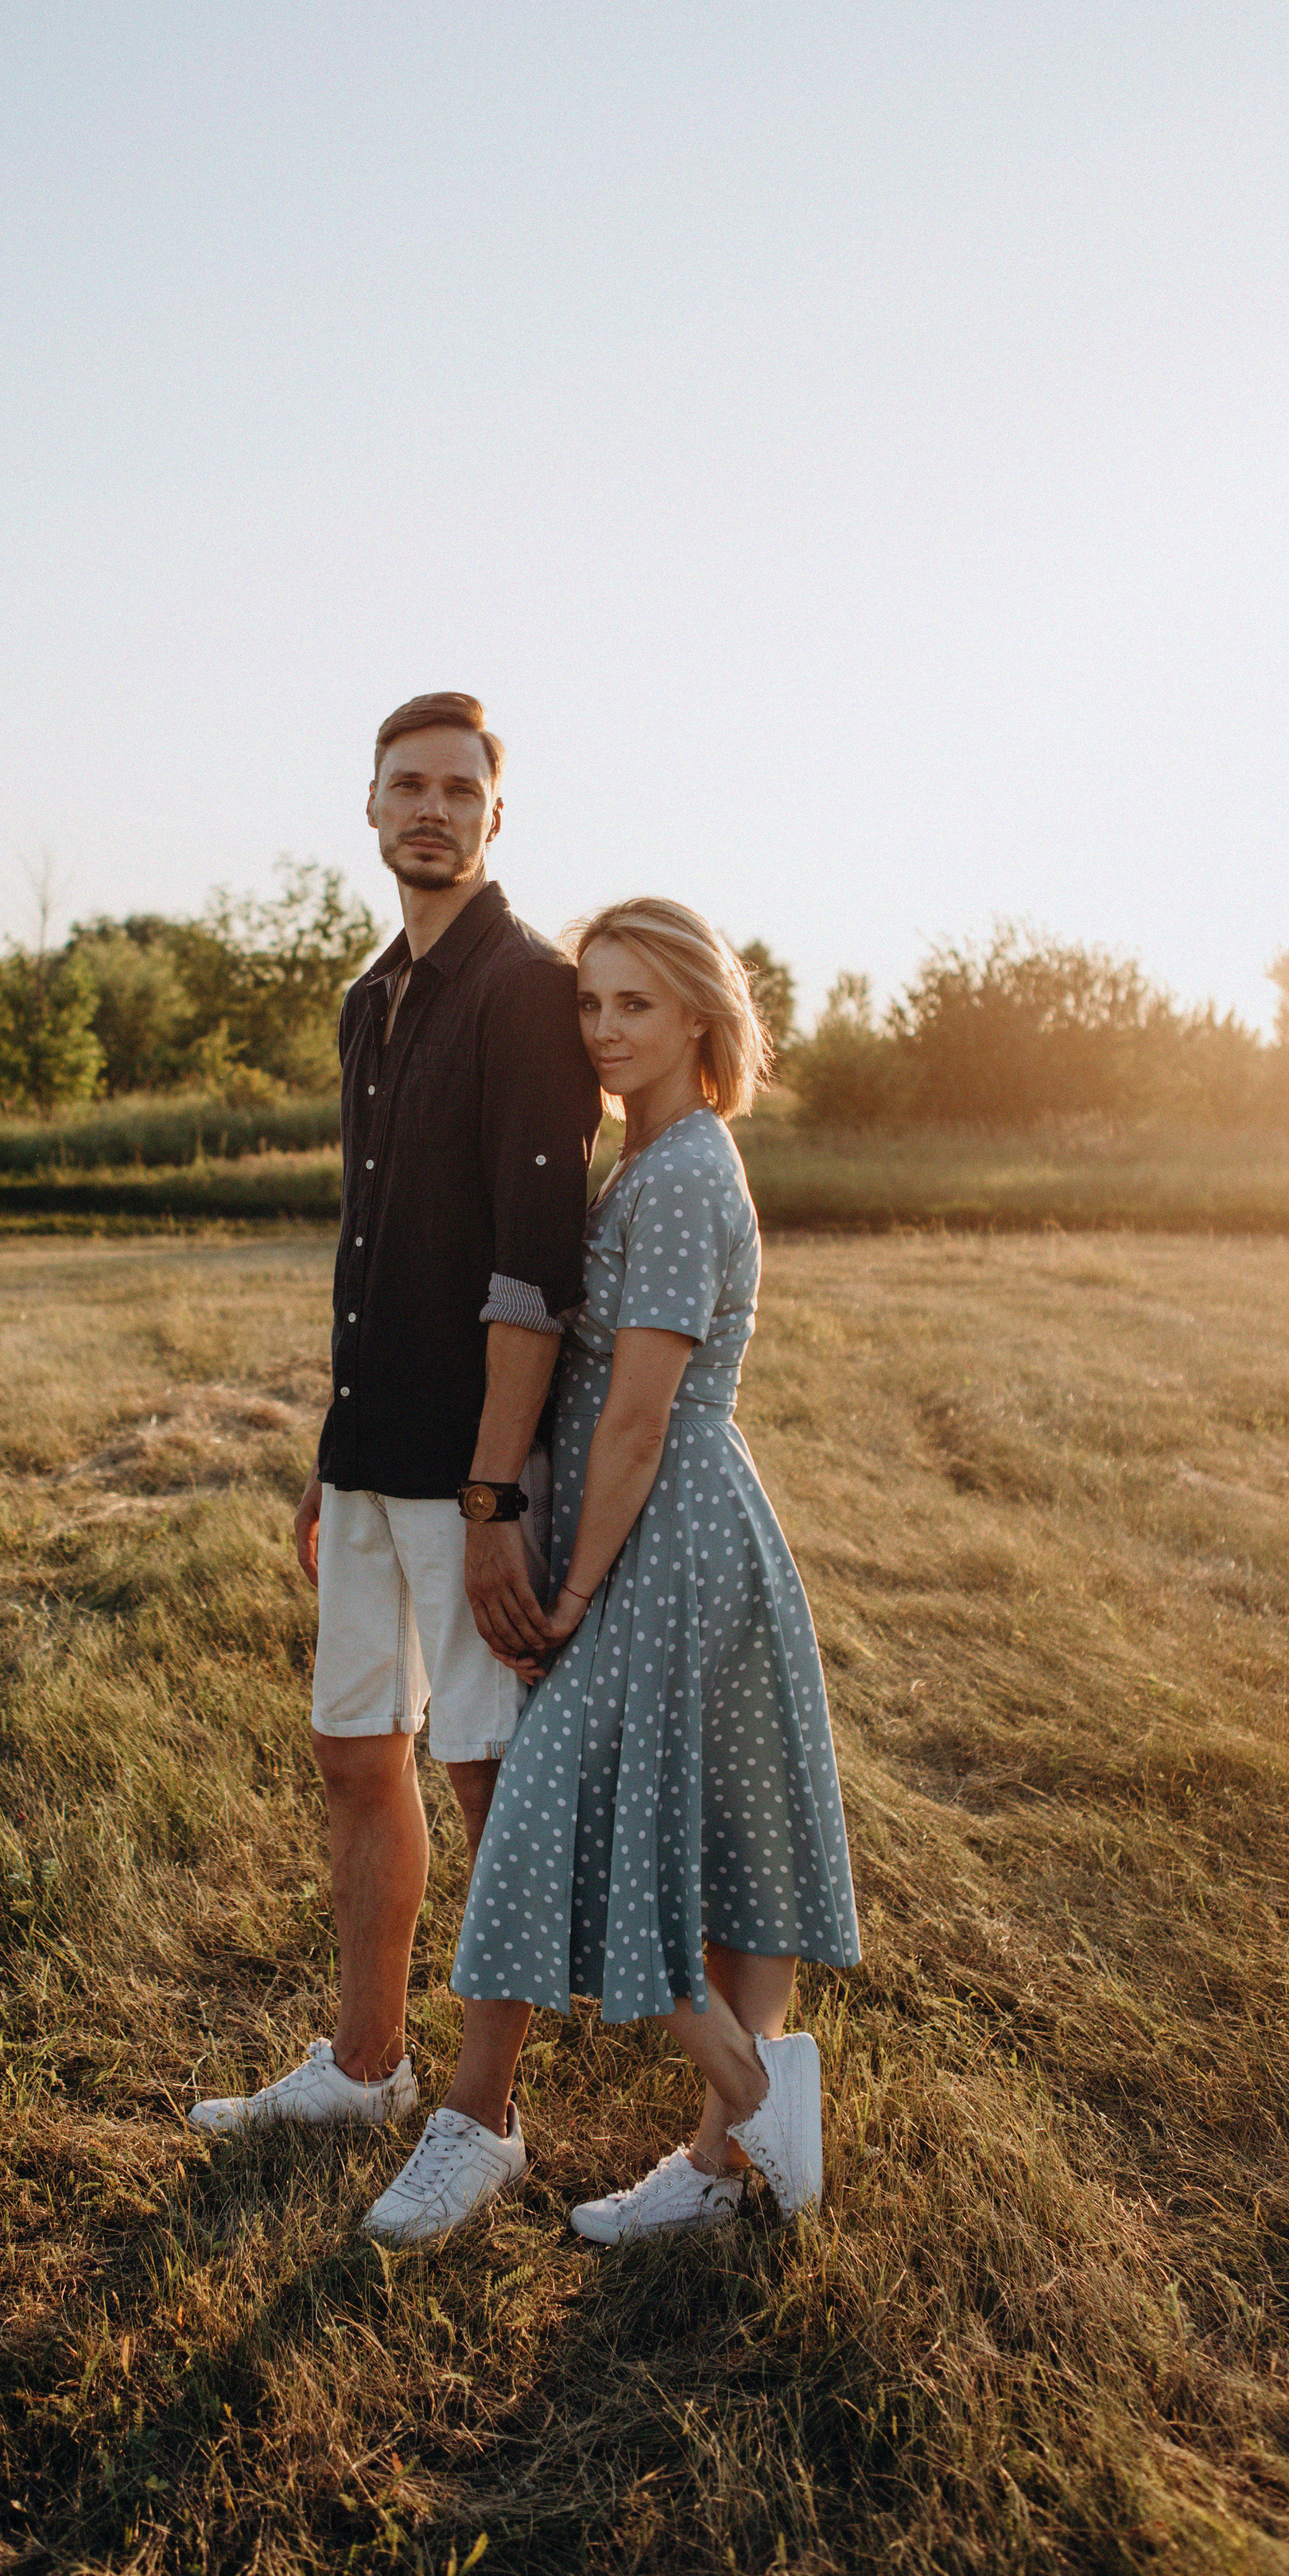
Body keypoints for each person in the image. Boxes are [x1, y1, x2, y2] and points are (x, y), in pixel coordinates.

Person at [359, 898, 860, 2245]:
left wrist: (571, 1595)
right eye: (590, 1004)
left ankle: (747, 2099)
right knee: (711, 1830)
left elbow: (640, 1417)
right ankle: (722, 2161)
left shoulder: (694, 1170)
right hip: (644, 1532)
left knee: (551, 1817)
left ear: (701, 1015)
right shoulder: (639, 1165)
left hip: (670, 1538)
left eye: (636, 1004)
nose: (605, 1029)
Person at [188, 695, 601, 2141]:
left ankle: (481, 2122)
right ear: (369, 811)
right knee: (357, 1756)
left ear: (497, 818)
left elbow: (531, 1275)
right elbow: (375, 1246)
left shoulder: (530, 992)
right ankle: (369, 2071)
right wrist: (329, 1454)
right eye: (405, 787)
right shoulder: (370, 1001)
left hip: (473, 1474)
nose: (431, 810)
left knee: (488, 1781)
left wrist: (494, 1503)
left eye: (458, 791)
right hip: (370, 1462)